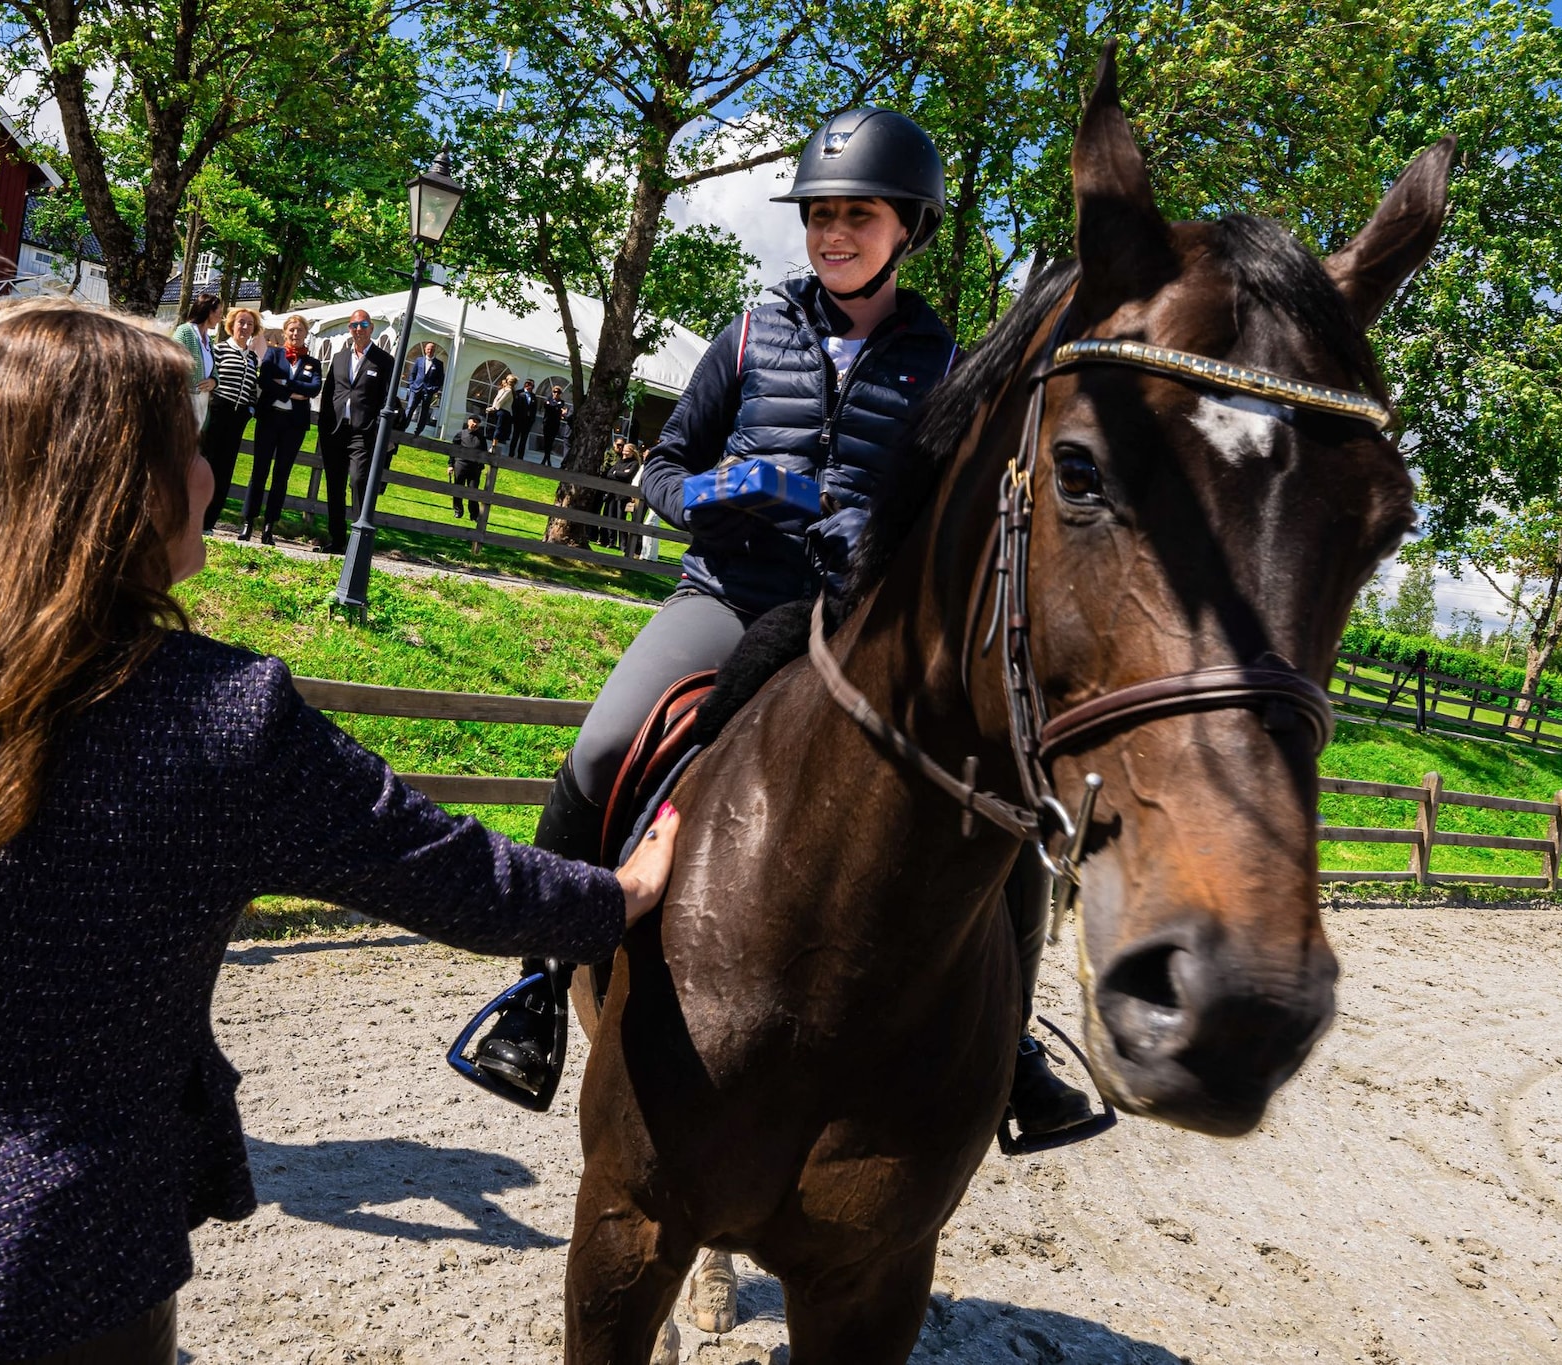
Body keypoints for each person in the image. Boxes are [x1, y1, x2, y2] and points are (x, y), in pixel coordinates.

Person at [0, 296, 681, 1365]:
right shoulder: (223, 718)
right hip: (55, 1281)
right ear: (128, 489)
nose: (210, 470)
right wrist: (613, 896)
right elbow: (441, 869)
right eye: (188, 446)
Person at [465, 108, 1094, 1140]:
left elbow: (960, 512)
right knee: (600, 747)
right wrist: (716, 493)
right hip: (724, 598)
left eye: (856, 216)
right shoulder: (752, 330)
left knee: (1006, 804)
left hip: (860, 625)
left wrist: (876, 532)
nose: (832, 234)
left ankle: (1014, 1047)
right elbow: (661, 466)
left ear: (909, 229)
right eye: (818, 217)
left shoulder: (941, 363)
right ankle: (533, 989)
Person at [315, 309, 395, 550]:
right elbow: (329, 393)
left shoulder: (384, 361)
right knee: (334, 485)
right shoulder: (339, 358)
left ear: (372, 329)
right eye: (353, 325)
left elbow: (388, 399)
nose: (358, 329)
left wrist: (381, 430)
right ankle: (337, 540)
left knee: (358, 480)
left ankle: (359, 542)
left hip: (363, 432)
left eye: (363, 324)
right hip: (335, 431)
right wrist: (323, 428)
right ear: (349, 330)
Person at [239, 313, 321, 544]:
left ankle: (269, 526)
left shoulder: (312, 363)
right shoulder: (274, 354)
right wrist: (294, 392)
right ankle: (248, 522)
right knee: (259, 472)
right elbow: (264, 380)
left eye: (300, 330)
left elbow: (313, 388)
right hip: (269, 419)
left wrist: (284, 384)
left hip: (293, 425)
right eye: (291, 330)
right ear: (285, 332)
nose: (295, 334)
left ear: (306, 334)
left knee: (281, 476)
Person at [199, 307, 264, 534]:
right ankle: (194, 518)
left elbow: (252, 388)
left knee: (225, 471)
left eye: (249, 324)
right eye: (241, 323)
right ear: (232, 326)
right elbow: (209, 378)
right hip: (218, 411)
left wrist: (251, 409)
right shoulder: (220, 349)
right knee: (207, 466)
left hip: (238, 418)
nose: (244, 328)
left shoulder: (253, 357)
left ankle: (209, 522)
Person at [169, 293, 220, 427]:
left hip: (201, 402)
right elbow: (173, 363)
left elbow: (213, 370)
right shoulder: (184, 331)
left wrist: (214, 381)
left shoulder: (209, 340)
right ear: (209, 312)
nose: (220, 318)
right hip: (184, 400)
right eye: (219, 313)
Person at [449, 415, 487, 521]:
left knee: (473, 492)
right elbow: (453, 450)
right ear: (468, 422)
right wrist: (450, 465)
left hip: (474, 468)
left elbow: (484, 453)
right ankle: (458, 511)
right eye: (473, 422)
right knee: (458, 489)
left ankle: (474, 515)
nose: (475, 424)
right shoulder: (460, 434)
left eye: (477, 423)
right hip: (460, 465)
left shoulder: (481, 438)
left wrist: (481, 467)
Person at [404, 341, 445, 434]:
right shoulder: (419, 360)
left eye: (432, 349)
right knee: (410, 408)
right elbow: (413, 374)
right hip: (416, 389)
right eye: (428, 349)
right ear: (425, 350)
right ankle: (403, 427)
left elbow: (440, 379)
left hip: (428, 391)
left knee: (424, 412)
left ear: (434, 351)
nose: (430, 351)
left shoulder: (439, 364)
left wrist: (434, 389)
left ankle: (418, 431)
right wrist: (411, 385)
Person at [484, 373, 516, 457]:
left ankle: (494, 446)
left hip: (502, 411)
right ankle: (493, 445)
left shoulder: (507, 390)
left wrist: (493, 408)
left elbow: (500, 401)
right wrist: (493, 407)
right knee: (497, 428)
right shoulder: (505, 390)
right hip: (502, 411)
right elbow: (498, 400)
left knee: (498, 429)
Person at [507, 378, 539, 460]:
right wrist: (515, 418)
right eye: (528, 384)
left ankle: (520, 456)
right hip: (518, 420)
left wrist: (532, 419)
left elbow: (534, 409)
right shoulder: (519, 393)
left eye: (532, 385)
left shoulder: (533, 396)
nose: (530, 387)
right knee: (515, 437)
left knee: (523, 440)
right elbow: (514, 407)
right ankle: (511, 454)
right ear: (525, 384)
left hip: (527, 422)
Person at [539, 384, 569, 465]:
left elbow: (556, 407)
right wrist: (555, 407)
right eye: (555, 392)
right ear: (552, 392)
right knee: (546, 441)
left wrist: (553, 406)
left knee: (551, 442)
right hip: (547, 424)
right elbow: (548, 407)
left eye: (558, 392)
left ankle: (546, 459)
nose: (556, 393)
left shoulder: (561, 402)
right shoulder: (548, 400)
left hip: (555, 425)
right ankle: (547, 459)